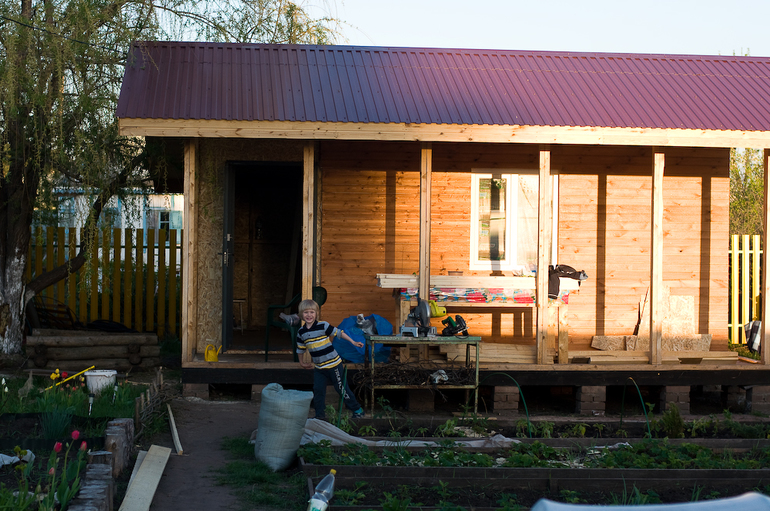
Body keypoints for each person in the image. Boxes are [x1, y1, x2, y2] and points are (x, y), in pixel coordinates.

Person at [296, 299, 366, 420]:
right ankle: (320, 416)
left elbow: (339, 333)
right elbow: (300, 349)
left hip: (334, 365)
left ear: (316, 313)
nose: (309, 315)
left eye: (312, 312)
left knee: (341, 388)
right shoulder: (301, 332)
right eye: (306, 312)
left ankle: (357, 410)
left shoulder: (323, 325)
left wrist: (353, 342)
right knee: (318, 391)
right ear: (301, 314)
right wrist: (302, 363)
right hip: (319, 368)